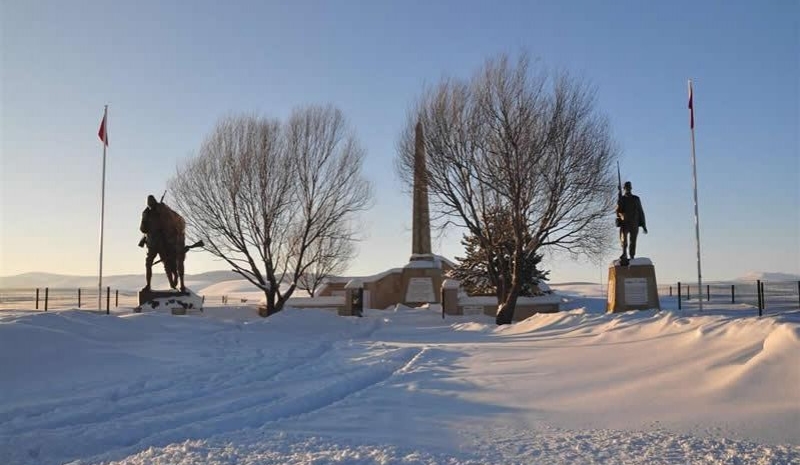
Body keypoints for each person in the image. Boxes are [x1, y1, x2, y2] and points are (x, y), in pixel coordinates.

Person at [616, 181, 647, 263]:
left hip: (634, 223)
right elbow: (618, 211)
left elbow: (640, 211)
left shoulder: (636, 199)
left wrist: (644, 225)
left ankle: (632, 256)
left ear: (631, 188)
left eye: (629, 187)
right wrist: (619, 197)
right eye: (626, 188)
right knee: (624, 239)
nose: (628, 189)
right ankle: (624, 253)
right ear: (624, 189)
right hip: (625, 222)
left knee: (633, 241)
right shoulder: (622, 199)